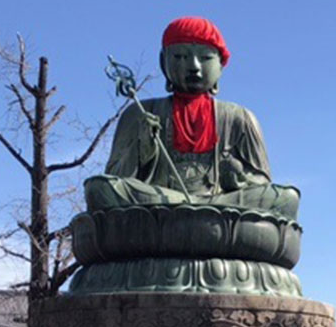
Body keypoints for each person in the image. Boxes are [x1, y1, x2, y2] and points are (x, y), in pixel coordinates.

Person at [85, 17, 299, 220]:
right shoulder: (140, 113)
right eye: (180, 57)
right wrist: (144, 151)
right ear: (163, 62)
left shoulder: (239, 118)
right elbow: (117, 177)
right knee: (101, 189)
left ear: (221, 66)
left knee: (285, 199)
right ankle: (199, 223)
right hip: (159, 199)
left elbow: (261, 182)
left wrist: (238, 177)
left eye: (205, 57)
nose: (194, 66)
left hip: (221, 202)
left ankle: (192, 222)